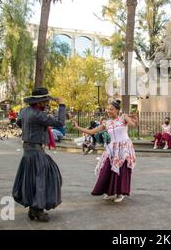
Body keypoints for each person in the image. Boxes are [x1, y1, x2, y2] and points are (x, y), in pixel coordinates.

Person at [12, 87, 66, 222]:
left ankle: (33, 208)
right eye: (46, 101)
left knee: (32, 180)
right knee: (45, 178)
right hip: (36, 151)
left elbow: (19, 122)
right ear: (40, 102)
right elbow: (60, 123)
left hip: (27, 151)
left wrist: (32, 129)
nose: (47, 103)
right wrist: (62, 105)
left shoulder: (24, 111)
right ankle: (39, 209)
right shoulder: (38, 115)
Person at [73, 100, 137, 203]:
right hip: (112, 148)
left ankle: (120, 193)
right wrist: (77, 127)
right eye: (108, 109)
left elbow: (133, 125)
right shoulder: (106, 123)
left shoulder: (123, 118)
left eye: (111, 109)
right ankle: (108, 191)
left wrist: (132, 120)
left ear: (117, 110)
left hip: (124, 147)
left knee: (121, 170)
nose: (109, 111)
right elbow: (91, 131)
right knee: (106, 168)